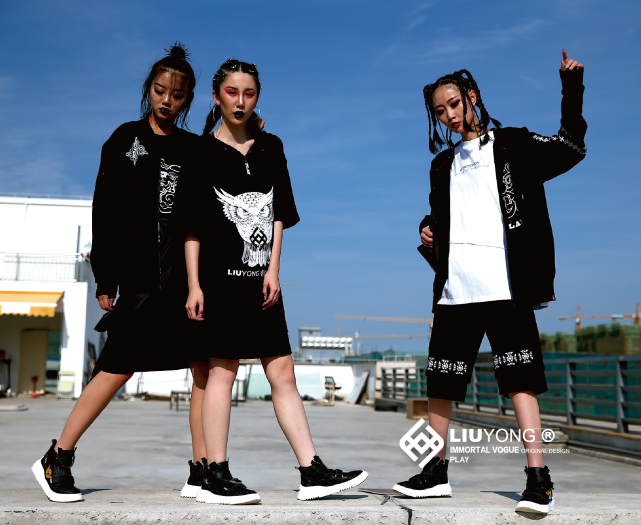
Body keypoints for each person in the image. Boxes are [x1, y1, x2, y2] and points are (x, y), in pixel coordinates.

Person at [393, 50, 586, 515]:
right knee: (441, 384)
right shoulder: (442, 165)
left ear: (472, 98)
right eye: (440, 111)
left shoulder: (513, 144)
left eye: (454, 104)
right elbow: (446, 214)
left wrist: (571, 87)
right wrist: (427, 227)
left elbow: (570, 147)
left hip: (505, 288)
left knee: (521, 383)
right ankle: (434, 472)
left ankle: (538, 478)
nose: (449, 115)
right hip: (454, 290)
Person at [181, 58, 368, 505]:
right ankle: (215, 473)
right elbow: (192, 227)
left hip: (262, 283)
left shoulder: (271, 146)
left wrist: (273, 270)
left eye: (249, 93)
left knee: (283, 371)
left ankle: (311, 471)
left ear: (257, 98)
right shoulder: (201, 153)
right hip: (219, 283)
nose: (240, 101)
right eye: (232, 92)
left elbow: (279, 213)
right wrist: (194, 285)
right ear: (216, 97)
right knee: (223, 372)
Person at [32, 43, 211, 503]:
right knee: (117, 367)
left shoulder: (193, 148)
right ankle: (58, 456)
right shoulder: (124, 139)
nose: (167, 100)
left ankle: (202, 469)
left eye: (177, 95)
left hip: (182, 279)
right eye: (160, 90)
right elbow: (105, 210)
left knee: (203, 368)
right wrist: (105, 277)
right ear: (149, 90)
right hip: (138, 277)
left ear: (188, 99)